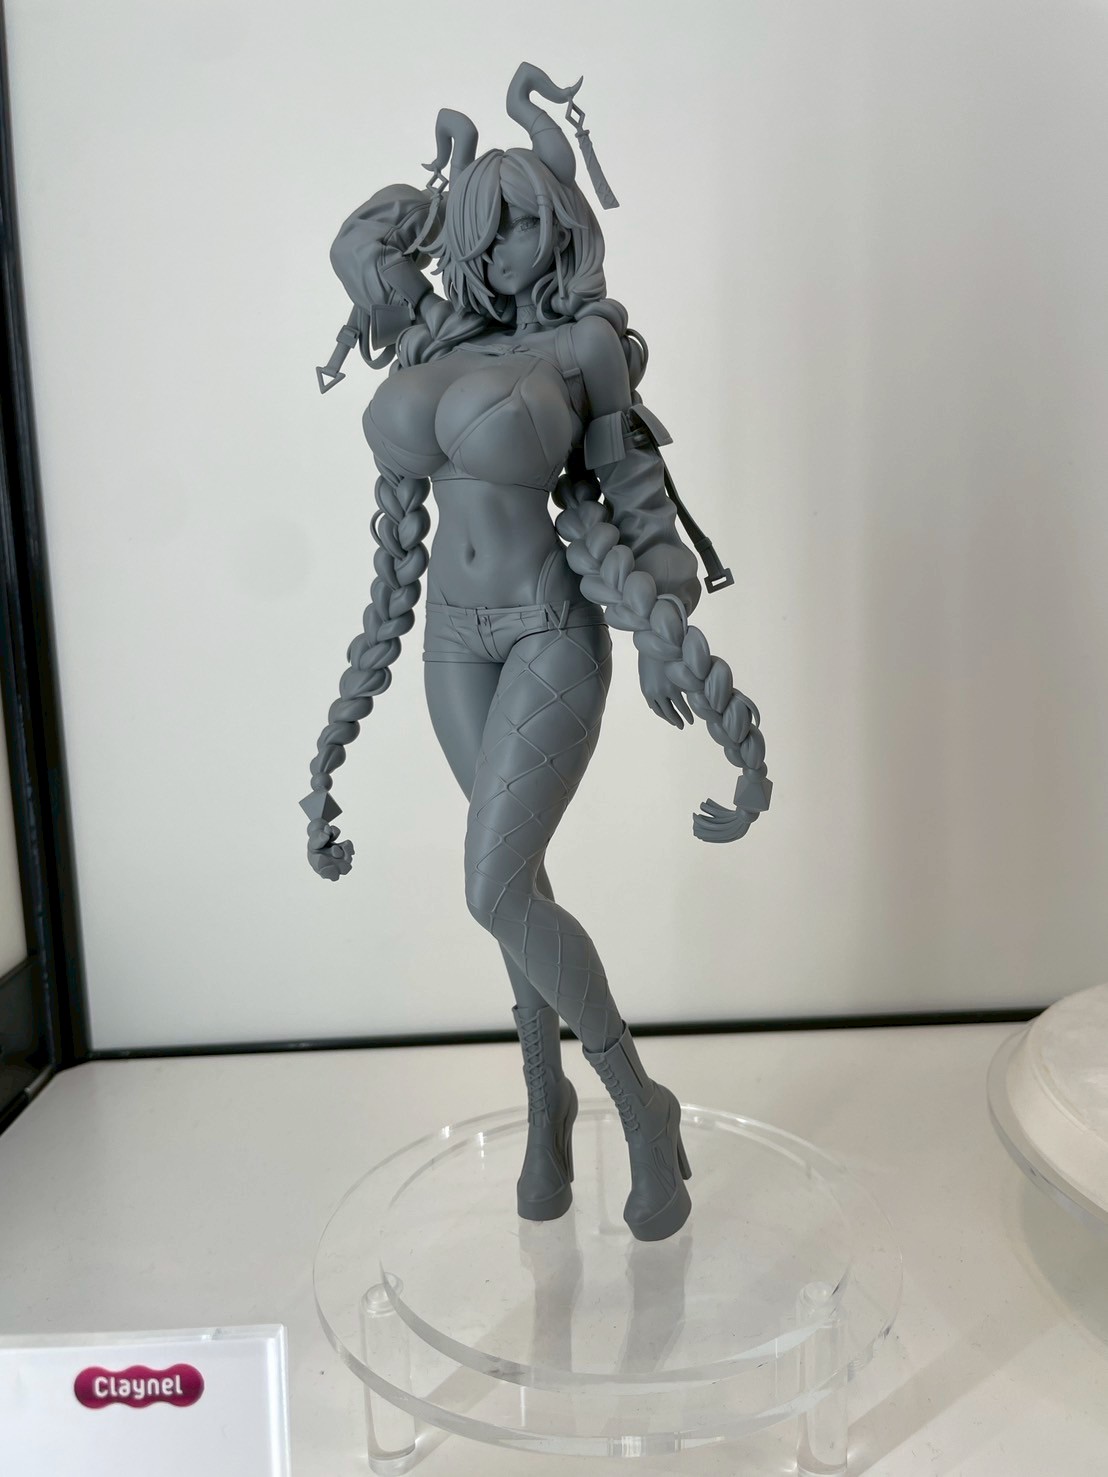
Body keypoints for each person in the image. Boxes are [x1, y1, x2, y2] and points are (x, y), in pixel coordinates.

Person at [301, 64, 771, 1242]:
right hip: (450, 644)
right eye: (488, 228)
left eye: (522, 222)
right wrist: (450, 187)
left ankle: (637, 1100)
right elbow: (358, 246)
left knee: (492, 885)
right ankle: (543, 1101)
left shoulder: (584, 348)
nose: (504, 247)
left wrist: (665, 628)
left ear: (560, 224)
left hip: (549, 634)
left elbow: (640, 501)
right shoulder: (432, 330)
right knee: (516, 885)